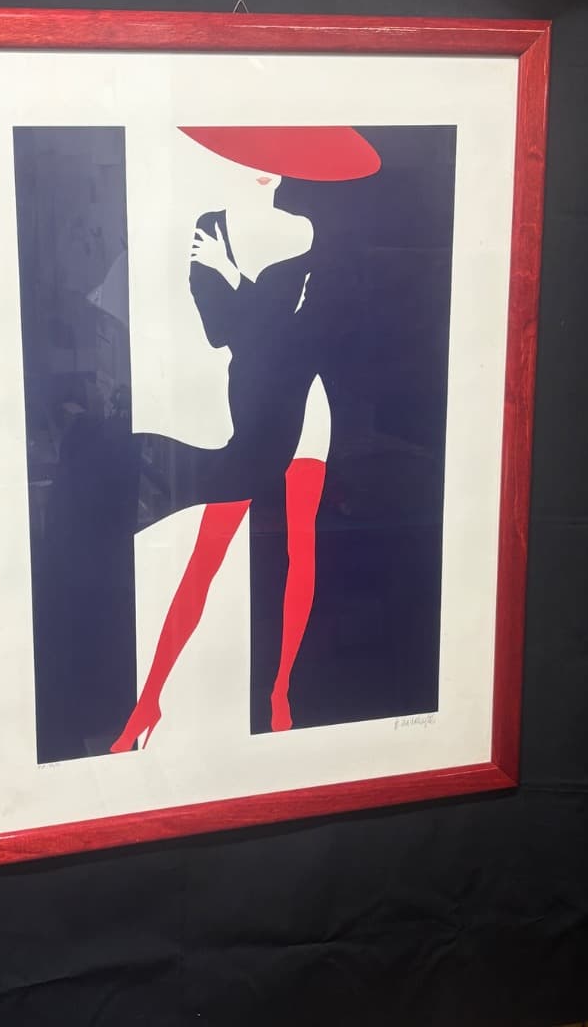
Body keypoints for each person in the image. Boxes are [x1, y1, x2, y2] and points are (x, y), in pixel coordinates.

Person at [110, 126, 381, 751]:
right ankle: (148, 702)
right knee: (206, 556)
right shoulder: (210, 225)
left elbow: (298, 337)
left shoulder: (307, 232)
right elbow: (218, 332)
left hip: (304, 408)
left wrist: (231, 275)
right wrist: (243, 298)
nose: (266, 168)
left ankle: (281, 693)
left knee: (299, 549)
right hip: (250, 412)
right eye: (253, 156)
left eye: (276, 160)